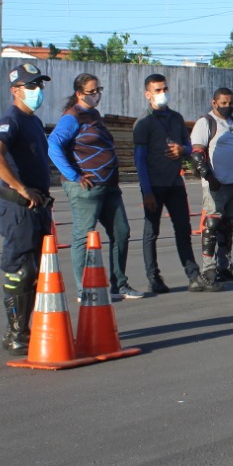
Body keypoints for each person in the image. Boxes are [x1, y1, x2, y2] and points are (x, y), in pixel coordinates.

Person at [48, 73, 145, 302]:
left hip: (108, 185)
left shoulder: (94, 115)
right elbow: (53, 144)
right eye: (92, 92)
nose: (97, 95)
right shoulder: (73, 117)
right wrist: (74, 175)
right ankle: (84, 291)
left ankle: (119, 284)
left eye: (98, 90)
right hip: (86, 188)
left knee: (121, 231)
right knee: (83, 235)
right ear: (79, 94)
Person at [0, 63, 54, 355]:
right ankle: (15, 332)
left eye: (40, 85)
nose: (37, 91)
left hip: (37, 206)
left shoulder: (34, 122)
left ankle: (28, 328)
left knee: (37, 270)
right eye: (31, 86)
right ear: (15, 91)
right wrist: (20, 186)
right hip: (18, 207)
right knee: (21, 270)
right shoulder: (11, 119)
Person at [132, 73, 202, 293]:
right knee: (151, 231)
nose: (163, 94)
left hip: (175, 183)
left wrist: (184, 150)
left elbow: (190, 146)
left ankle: (193, 274)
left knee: (183, 228)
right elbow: (140, 159)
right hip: (154, 184)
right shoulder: (143, 123)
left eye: (165, 89)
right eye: (157, 90)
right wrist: (146, 191)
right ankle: (153, 277)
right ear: (147, 94)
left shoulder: (176, 118)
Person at [189, 87, 233, 291]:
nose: (227, 106)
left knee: (229, 223)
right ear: (213, 102)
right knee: (212, 224)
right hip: (217, 183)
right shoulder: (205, 122)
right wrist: (208, 176)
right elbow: (197, 153)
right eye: (223, 103)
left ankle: (225, 266)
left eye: (230, 103)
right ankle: (208, 271)